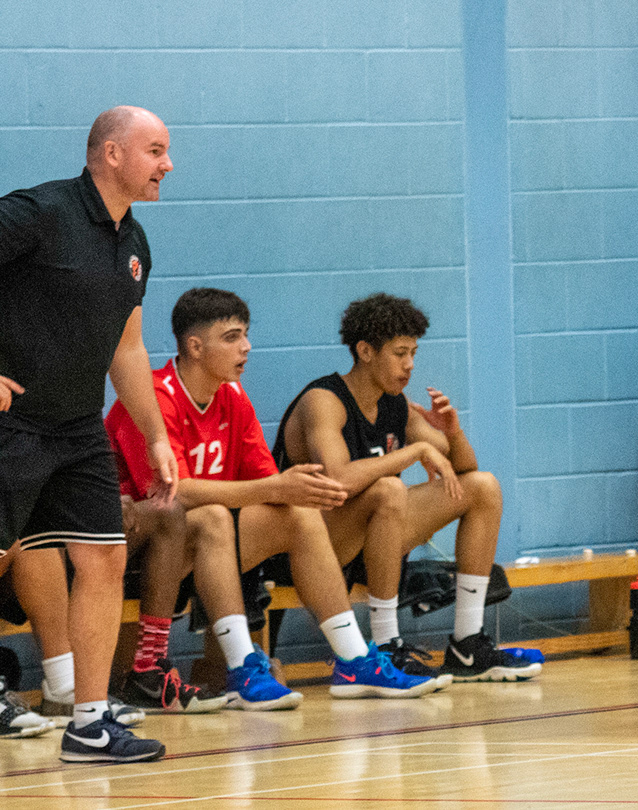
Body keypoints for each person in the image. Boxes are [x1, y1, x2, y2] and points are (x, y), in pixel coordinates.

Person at [108, 288, 438, 708]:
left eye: (245, 335)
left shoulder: (233, 396)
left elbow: (268, 482)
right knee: (213, 515)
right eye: (232, 337)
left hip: (207, 544)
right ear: (195, 347)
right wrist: (274, 487)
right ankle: (242, 666)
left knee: (297, 512)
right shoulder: (153, 397)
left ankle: (354, 658)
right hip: (138, 548)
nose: (246, 346)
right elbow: (177, 491)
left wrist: (299, 489)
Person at [0, 106, 178, 762]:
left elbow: (126, 349)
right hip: (11, 423)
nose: (167, 165)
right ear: (111, 153)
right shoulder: (39, 213)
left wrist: (154, 435)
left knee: (104, 558)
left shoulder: (134, 243)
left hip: (76, 428)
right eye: (155, 150)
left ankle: (89, 723)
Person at [272, 293, 540, 683]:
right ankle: (386, 645)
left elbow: (462, 469)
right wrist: (413, 452)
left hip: (369, 539)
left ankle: (466, 645)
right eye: (400, 353)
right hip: (308, 546)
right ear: (365, 351)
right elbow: (338, 480)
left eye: (413, 353)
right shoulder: (323, 400)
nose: (410, 364)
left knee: (484, 487)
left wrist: (452, 431)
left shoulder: (395, 404)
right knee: (388, 490)